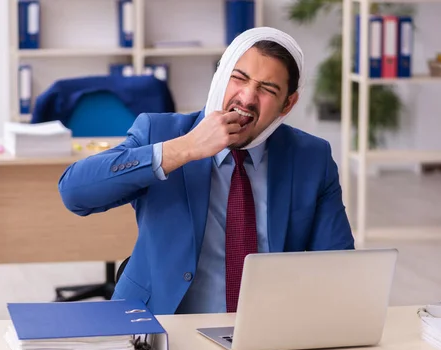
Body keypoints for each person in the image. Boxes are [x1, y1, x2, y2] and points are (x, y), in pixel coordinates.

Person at [58, 27, 355, 315]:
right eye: (239, 78)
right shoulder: (160, 131)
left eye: (267, 89)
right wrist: (186, 148)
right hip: (159, 327)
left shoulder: (311, 157)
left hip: (266, 335)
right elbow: (74, 193)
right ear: (220, 77)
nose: (248, 97)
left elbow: (337, 267)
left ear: (287, 104)